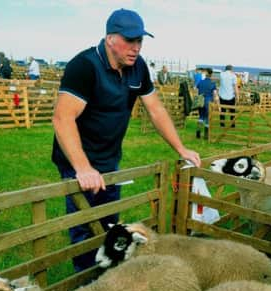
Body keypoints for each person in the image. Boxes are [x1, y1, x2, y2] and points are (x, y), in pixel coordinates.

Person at [51, 8, 201, 272]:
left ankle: (108, 281)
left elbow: (155, 109)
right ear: (110, 39)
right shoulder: (85, 66)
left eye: (139, 41)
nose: (136, 48)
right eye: (129, 40)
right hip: (78, 161)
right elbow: (63, 119)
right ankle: (84, 290)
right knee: (84, 229)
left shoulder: (138, 68)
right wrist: (83, 168)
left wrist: (181, 148)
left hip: (110, 159)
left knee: (110, 226)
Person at [195, 67, 218, 140]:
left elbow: (196, 91)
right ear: (211, 75)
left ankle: (198, 132)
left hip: (200, 101)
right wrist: (216, 103)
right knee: (208, 117)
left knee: (201, 116)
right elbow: (215, 94)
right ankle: (206, 135)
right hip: (208, 101)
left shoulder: (200, 82)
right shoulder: (212, 83)